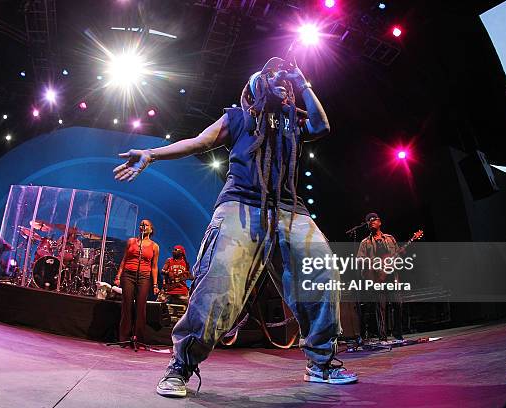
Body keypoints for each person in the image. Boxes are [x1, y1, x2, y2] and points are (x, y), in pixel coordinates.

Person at [114, 55, 357, 397]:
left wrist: (302, 83)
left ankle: (321, 363)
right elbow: (198, 142)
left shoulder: (292, 122)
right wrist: (153, 154)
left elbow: (321, 127)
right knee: (218, 284)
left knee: (323, 272)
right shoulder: (239, 118)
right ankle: (181, 366)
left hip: (289, 209)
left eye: (286, 83)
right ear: (257, 85)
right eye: (274, 78)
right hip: (241, 204)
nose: (283, 83)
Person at [356, 212, 403, 341]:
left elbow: (397, 255)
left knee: (397, 304)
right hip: (377, 278)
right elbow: (359, 259)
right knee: (380, 308)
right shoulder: (365, 243)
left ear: (379, 222)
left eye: (373, 219)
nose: (371, 221)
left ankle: (398, 334)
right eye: (368, 220)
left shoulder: (390, 238)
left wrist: (394, 260)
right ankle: (383, 338)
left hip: (391, 276)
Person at [114, 219, 160, 345]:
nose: (142, 226)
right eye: (141, 224)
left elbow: (154, 266)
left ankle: (138, 339)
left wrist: (155, 284)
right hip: (128, 275)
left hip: (144, 277)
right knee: (126, 305)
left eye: (146, 225)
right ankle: (124, 338)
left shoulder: (154, 246)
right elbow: (124, 260)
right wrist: (118, 276)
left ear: (150, 229)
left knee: (141, 307)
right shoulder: (131, 241)